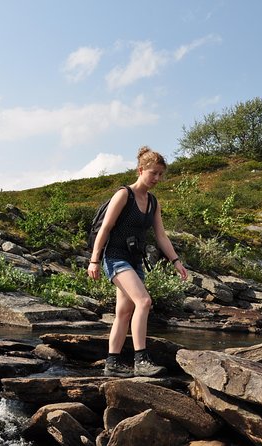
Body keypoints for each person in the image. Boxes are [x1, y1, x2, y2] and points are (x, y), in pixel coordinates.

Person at [87, 146, 187, 377]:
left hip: (134, 261)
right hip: (114, 257)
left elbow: (161, 235)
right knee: (144, 301)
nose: (157, 178)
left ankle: (112, 363)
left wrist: (176, 261)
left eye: (161, 174)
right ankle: (141, 360)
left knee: (124, 311)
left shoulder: (153, 202)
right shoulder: (124, 195)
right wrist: (94, 260)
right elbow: (105, 228)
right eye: (153, 173)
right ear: (140, 170)